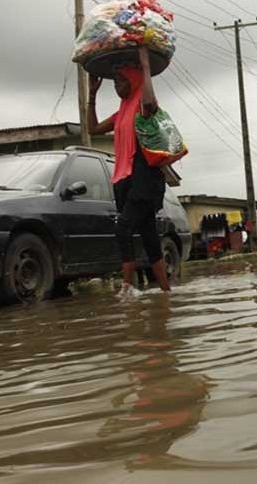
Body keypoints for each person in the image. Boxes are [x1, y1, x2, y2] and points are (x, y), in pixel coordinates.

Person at [87, 47, 170, 297]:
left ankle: (127, 287)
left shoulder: (142, 106)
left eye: (122, 81)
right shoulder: (121, 111)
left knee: (123, 227)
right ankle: (166, 292)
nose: (117, 87)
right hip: (124, 180)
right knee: (149, 237)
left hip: (144, 181)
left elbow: (150, 102)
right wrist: (93, 95)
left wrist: (145, 68)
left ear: (133, 81)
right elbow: (92, 129)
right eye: (115, 83)